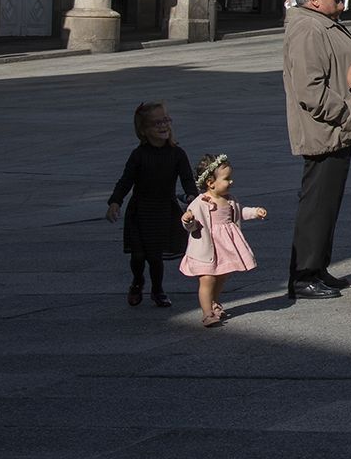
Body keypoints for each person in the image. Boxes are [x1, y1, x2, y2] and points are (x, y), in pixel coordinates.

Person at [280, 0, 351, 300]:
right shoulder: (308, 28)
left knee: (327, 204)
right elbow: (310, 91)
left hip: (337, 131)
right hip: (326, 131)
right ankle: (303, 275)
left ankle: (318, 268)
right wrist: (350, 114)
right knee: (317, 204)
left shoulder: (321, 23)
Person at [106, 101, 196, 309]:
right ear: (144, 130)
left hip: (164, 210)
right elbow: (125, 181)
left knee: (155, 256)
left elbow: (187, 179)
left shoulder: (177, 154)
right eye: (157, 123)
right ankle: (137, 282)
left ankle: (158, 290)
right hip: (139, 211)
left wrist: (192, 196)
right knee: (138, 255)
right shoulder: (139, 155)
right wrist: (115, 202)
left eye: (166, 120)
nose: (163, 126)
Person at [180, 152, 268, 326]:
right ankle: (207, 313)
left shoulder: (230, 200)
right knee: (207, 278)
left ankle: (214, 302)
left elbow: (239, 212)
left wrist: (255, 212)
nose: (231, 182)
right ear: (210, 183)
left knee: (222, 276)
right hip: (207, 247)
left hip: (225, 247)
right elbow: (192, 226)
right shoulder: (200, 203)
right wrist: (188, 220)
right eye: (227, 179)